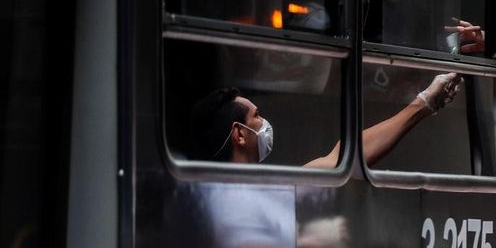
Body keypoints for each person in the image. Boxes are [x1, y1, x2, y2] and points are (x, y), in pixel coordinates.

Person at [188, 72, 463, 167]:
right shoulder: (260, 193)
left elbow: (342, 156)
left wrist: (425, 103)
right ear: (238, 134)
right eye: (256, 116)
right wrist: (424, 103)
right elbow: (344, 158)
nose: (264, 122)